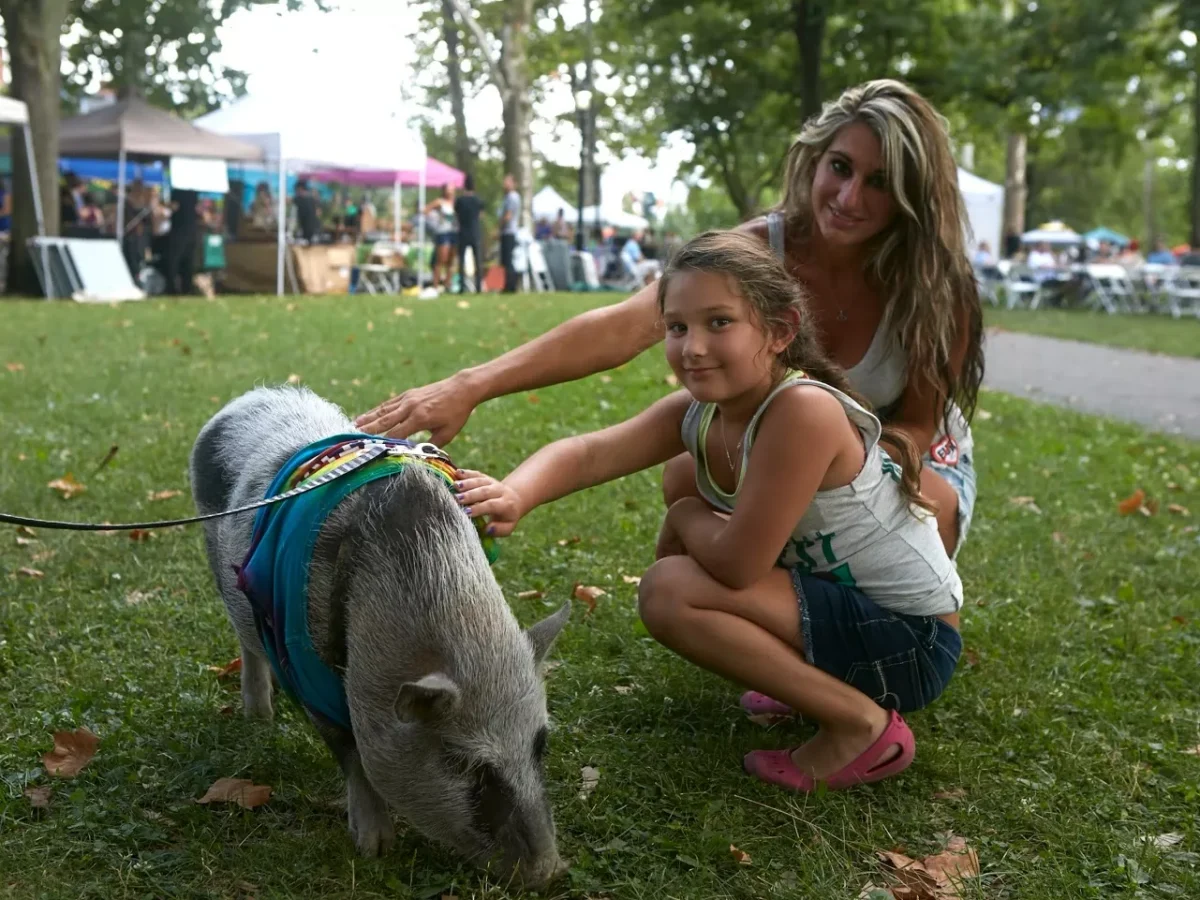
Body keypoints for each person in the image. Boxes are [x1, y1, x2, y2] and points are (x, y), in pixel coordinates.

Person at [358, 79, 985, 559]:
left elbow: (916, 428)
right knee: (688, 472)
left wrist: (817, 467)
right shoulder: (757, 252)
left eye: (879, 182)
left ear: (911, 194)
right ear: (815, 160)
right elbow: (621, 327)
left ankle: (811, 603)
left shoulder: (937, 287)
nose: (849, 198)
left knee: (915, 511)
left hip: (899, 462)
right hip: (780, 444)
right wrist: (470, 385)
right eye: (840, 168)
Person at [453, 231, 962, 791]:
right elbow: (589, 452)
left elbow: (738, 567)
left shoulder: (802, 410)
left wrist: (684, 515)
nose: (692, 347)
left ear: (781, 331)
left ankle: (859, 725)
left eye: (719, 322)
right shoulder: (702, 413)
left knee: (670, 590)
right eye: (677, 327)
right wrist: (516, 493)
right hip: (859, 619)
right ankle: (816, 684)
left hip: (914, 645)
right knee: (683, 473)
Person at [454, 174, 485, 293]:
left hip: (463, 232)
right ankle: (478, 286)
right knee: (477, 260)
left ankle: (462, 286)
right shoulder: (478, 201)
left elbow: (456, 215)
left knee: (461, 261)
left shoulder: (460, 201)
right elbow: (481, 216)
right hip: (475, 232)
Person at [164, 189, 198, 295]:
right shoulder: (194, 192)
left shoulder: (177, 191)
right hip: (192, 231)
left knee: (174, 261)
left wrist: (164, 205)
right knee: (188, 262)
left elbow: (174, 207)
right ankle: (187, 287)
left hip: (178, 231)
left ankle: (171, 287)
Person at [424, 184, 457, 290]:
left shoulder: (456, 203)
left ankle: (448, 284)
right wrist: (434, 220)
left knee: (451, 261)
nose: (450, 192)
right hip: (443, 232)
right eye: (448, 189)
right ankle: (436, 285)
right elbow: (425, 210)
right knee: (441, 259)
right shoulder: (440, 202)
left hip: (454, 232)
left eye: (452, 189)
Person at [499, 174, 521, 293]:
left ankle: (511, 285)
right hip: (507, 232)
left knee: (508, 260)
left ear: (514, 184)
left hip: (509, 232)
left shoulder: (512, 197)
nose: (505, 184)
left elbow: (508, 215)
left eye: (507, 182)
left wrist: (499, 228)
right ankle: (507, 284)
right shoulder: (508, 197)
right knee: (506, 260)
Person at [294, 179, 320, 243]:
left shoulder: (305, 199)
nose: (297, 192)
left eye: (297, 190)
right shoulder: (309, 198)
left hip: (310, 227)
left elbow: (317, 212)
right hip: (308, 227)